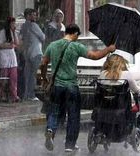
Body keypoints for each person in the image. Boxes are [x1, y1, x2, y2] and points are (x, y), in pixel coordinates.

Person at [40, 24, 116, 152]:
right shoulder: (76, 46)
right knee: (73, 116)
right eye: (78, 35)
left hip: (57, 87)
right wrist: (108, 49)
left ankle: (50, 129)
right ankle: (70, 145)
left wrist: (45, 78)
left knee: (54, 111)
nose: (77, 38)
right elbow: (95, 56)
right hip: (71, 87)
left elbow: (43, 63)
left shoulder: (52, 45)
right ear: (74, 33)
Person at [20, 8, 45, 101]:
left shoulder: (23, 26)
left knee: (28, 75)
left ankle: (26, 94)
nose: (35, 16)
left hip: (27, 53)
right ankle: (31, 94)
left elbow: (22, 38)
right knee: (34, 75)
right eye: (33, 15)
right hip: (36, 52)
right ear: (28, 16)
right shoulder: (34, 25)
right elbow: (43, 37)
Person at [0, 16, 20, 103]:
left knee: (13, 78)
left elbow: (17, 43)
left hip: (12, 58)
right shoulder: (1, 32)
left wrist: (14, 32)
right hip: (4, 58)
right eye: (12, 23)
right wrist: (8, 46)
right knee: (3, 79)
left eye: (14, 23)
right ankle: (1, 95)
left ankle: (13, 95)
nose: (14, 25)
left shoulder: (13, 32)